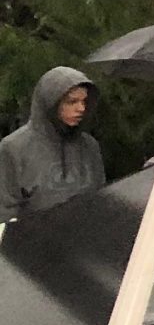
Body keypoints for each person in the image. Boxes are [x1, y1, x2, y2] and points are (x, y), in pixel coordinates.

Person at [0, 65, 108, 225]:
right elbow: (5, 214)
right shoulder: (14, 148)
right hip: (31, 243)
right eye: (72, 102)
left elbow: (102, 201)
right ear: (51, 103)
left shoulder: (89, 146)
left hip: (84, 241)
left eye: (84, 101)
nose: (81, 108)